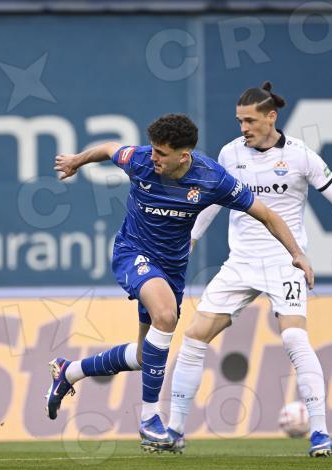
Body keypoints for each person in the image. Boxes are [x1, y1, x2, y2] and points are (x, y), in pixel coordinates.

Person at [47, 113, 314, 452]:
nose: (153, 157)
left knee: (144, 356)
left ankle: (69, 372)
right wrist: (76, 161)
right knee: (166, 316)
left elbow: (267, 215)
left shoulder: (213, 179)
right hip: (132, 253)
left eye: (161, 153)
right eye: (153, 149)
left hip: (172, 269)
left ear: (183, 156)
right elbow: (109, 148)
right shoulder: (139, 160)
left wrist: (297, 254)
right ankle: (149, 419)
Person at [168, 82, 332, 457]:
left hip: (285, 262)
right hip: (240, 263)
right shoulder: (230, 154)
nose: (243, 128)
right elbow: (213, 201)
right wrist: (190, 238)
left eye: (250, 120)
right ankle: (174, 431)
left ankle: (320, 433)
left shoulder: (300, 156)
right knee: (193, 337)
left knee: (294, 339)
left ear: (271, 117)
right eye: (240, 121)